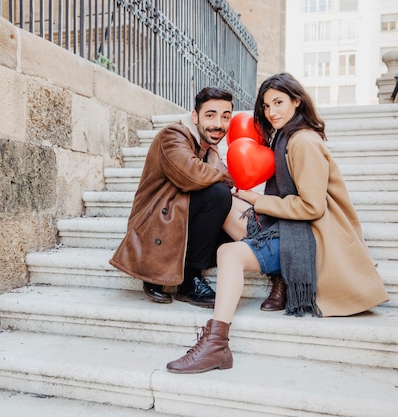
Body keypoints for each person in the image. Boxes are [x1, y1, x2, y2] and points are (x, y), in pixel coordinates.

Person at [166, 72, 389, 374]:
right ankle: (278, 276)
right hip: (292, 226)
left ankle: (216, 343)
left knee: (228, 254)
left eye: (279, 103)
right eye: (267, 105)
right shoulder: (284, 138)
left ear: (297, 101)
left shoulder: (303, 142)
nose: (272, 112)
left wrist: (258, 201)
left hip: (310, 236)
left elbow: (311, 206)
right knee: (226, 203)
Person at [109, 87, 236, 308]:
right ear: (194, 116)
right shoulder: (173, 135)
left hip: (181, 210)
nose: (218, 123)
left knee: (235, 226)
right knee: (218, 193)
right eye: (210, 115)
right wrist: (227, 176)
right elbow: (191, 175)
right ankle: (186, 278)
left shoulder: (208, 148)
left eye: (225, 117)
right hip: (155, 220)